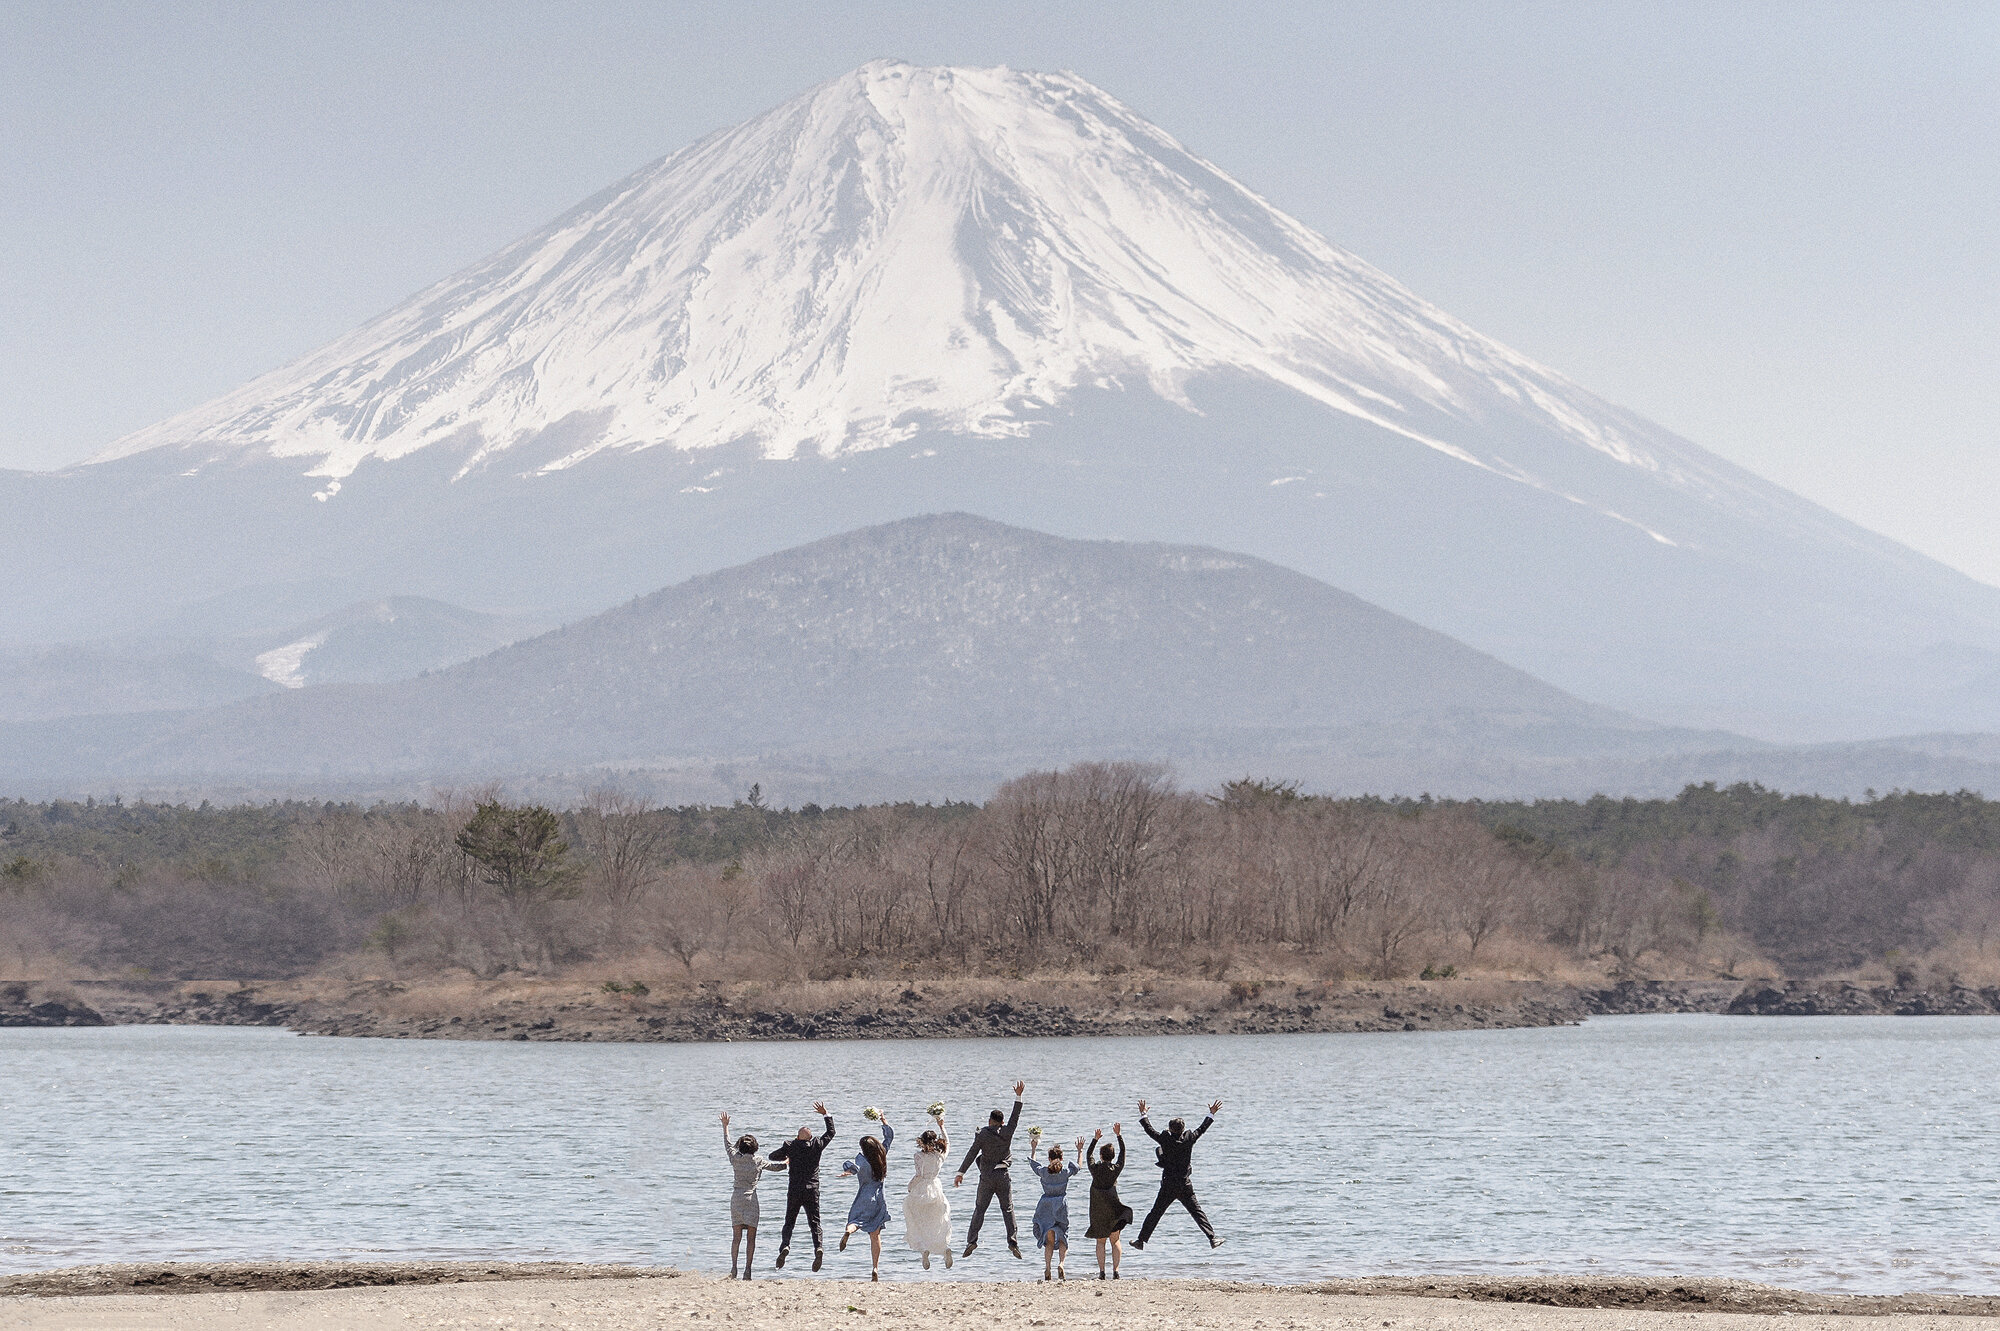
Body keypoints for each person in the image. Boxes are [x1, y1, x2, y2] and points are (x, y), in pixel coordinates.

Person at [1130, 1098, 1224, 1251]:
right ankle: (1212, 1238)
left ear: (1170, 1129)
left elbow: (1149, 1130)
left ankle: (1141, 1241)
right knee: (1197, 1212)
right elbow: (1202, 1129)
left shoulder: (1164, 1139)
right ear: (1183, 1129)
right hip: (1184, 1183)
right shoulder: (1189, 1139)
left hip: (1168, 1184)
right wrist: (1211, 1114)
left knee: (1155, 1213)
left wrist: (1143, 1114)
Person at [954, 1079, 1025, 1259]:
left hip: (986, 1177)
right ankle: (1012, 1241)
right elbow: (1015, 1117)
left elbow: (972, 1153)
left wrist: (960, 1173)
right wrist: (1018, 1096)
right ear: (1001, 1123)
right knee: (1008, 1209)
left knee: (979, 1209)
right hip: (1002, 1176)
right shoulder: (1007, 1132)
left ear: (990, 1120)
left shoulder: (983, 1134)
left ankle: (972, 1241)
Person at [768, 1100, 835, 1271]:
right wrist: (825, 1114)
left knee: (789, 1221)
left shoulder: (791, 1146)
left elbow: (772, 1156)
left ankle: (785, 1245)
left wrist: (786, 1158)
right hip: (812, 1189)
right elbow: (831, 1132)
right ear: (811, 1138)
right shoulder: (817, 1144)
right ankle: (818, 1248)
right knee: (815, 1222)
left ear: (798, 1137)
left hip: (795, 1189)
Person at [720, 1112, 787, 1279]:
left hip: (736, 1198)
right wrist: (787, 1162)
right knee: (751, 1238)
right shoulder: (758, 1161)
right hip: (751, 1199)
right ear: (755, 1147)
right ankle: (748, 1270)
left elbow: (727, 1144)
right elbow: (775, 1167)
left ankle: (734, 1268)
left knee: (736, 1238)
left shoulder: (735, 1158)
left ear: (740, 1147)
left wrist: (725, 1126)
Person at [838, 1112, 895, 1280]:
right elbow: (889, 1137)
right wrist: (883, 1120)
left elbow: (854, 1167)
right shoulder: (881, 1155)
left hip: (863, 1197)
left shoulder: (862, 1161)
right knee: (875, 1235)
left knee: (855, 1221)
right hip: (878, 1198)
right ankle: (875, 1268)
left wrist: (847, 1171)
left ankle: (849, 1231)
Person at [1026, 1128, 1084, 1282]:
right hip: (1061, 1206)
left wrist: (1033, 1148)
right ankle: (1062, 1264)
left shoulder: (1044, 1171)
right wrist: (1080, 1151)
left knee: (1049, 1240)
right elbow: (1078, 1166)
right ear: (1062, 1158)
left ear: (1049, 1158)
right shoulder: (1064, 1172)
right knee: (1063, 1236)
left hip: (1045, 1207)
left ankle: (1047, 1267)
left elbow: (1033, 1163)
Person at [903, 1109, 955, 1270]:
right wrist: (942, 1126)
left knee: (918, 1219)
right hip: (936, 1187)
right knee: (937, 1221)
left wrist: (910, 1187)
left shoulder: (918, 1156)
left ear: (922, 1142)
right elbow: (947, 1142)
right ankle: (944, 1249)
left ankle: (924, 1249)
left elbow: (918, 1175)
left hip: (921, 1188)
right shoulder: (940, 1156)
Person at [1084, 1123, 1133, 1279]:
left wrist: (1095, 1139)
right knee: (1115, 1239)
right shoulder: (1115, 1169)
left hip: (1098, 1209)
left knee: (1100, 1241)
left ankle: (1102, 1272)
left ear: (1101, 1156)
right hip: (1113, 1208)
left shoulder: (1095, 1169)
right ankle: (1116, 1271)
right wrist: (1119, 1136)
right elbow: (1123, 1154)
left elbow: (1088, 1155)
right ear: (1112, 1156)